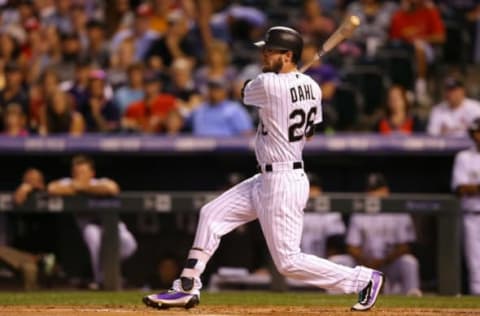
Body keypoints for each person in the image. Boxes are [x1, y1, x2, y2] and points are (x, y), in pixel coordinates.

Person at [143, 26, 384, 311]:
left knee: (288, 262)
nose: (263, 54)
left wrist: (283, 91)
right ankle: (187, 285)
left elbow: (244, 91)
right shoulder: (314, 88)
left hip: (283, 181)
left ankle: (363, 279)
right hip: (267, 177)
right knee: (211, 214)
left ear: (287, 55)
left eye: (270, 50)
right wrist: (291, 91)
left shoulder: (268, 84)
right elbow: (309, 133)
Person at [47, 155, 137, 289]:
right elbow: (51, 188)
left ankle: (107, 273)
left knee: (129, 244)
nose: (79, 176)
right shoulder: (69, 182)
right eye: (76, 173)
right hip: (91, 226)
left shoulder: (99, 182)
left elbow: (112, 188)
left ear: (92, 173)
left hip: (112, 225)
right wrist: (76, 187)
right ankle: (101, 280)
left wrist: (82, 188)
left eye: (83, 172)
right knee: (93, 235)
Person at [345, 173, 422, 296]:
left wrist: (383, 261)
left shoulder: (398, 211)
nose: (374, 194)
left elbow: (404, 247)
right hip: (365, 264)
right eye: (371, 190)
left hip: (390, 264)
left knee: (409, 262)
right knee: (341, 260)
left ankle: (412, 296)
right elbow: (352, 247)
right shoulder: (360, 213)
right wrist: (368, 263)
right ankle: (337, 300)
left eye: (377, 190)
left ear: (386, 190)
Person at [451, 117, 480, 295]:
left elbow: (468, 187)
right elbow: (460, 188)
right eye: (477, 132)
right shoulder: (464, 157)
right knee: (475, 266)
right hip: (472, 215)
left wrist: (474, 187)